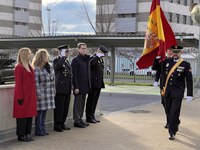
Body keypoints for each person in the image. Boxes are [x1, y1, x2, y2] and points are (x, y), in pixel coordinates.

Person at [162, 45, 193, 140]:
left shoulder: (185, 64)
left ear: (181, 53)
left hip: (177, 93)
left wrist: (189, 94)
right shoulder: (166, 62)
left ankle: (172, 132)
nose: (175, 53)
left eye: (177, 52)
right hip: (167, 92)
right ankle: (176, 121)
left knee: (173, 112)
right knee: (168, 112)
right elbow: (162, 76)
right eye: (174, 51)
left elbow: (189, 80)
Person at [13, 47, 37, 142]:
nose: (30, 55)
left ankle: (27, 133)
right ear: (23, 54)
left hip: (30, 96)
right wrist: (19, 97)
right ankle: (21, 135)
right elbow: (18, 84)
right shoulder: (19, 67)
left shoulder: (30, 66)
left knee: (29, 115)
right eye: (28, 53)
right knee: (22, 116)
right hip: (22, 96)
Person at [32, 49, 56, 136]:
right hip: (41, 94)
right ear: (41, 57)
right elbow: (36, 83)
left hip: (49, 93)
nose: (47, 57)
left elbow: (53, 80)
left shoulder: (49, 67)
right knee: (39, 113)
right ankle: (39, 130)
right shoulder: (36, 69)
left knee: (44, 112)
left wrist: (54, 91)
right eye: (46, 56)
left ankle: (43, 128)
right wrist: (38, 94)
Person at [86, 45, 108, 123]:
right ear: (99, 51)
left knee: (95, 101)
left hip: (98, 83)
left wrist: (99, 58)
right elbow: (91, 63)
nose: (103, 55)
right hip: (93, 83)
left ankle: (92, 115)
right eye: (102, 53)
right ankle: (89, 117)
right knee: (91, 100)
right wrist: (97, 56)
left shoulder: (100, 60)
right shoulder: (93, 58)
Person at [152, 48, 173, 128]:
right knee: (164, 103)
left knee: (171, 104)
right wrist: (156, 80)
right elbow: (157, 70)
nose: (170, 52)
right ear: (166, 51)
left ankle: (171, 121)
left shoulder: (175, 61)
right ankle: (170, 119)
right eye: (168, 50)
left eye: (171, 50)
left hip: (172, 87)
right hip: (163, 86)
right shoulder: (163, 60)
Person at [71, 42, 90, 128]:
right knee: (77, 104)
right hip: (78, 86)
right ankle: (76, 120)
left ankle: (80, 119)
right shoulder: (75, 60)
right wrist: (76, 87)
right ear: (78, 49)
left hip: (85, 86)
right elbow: (74, 75)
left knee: (82, 104)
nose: (84, 50)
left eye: (85, 48)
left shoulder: (86, 60)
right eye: (82, 48)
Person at [53, 45, 72, 132]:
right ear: (60, 52)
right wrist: (62, 57)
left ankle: (62, 123)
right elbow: (57, 67)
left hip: (67, 88)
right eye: (66, 51)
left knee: (65, 107)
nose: (67, 53)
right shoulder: (57, 60)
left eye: (68, 51)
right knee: (59, 108)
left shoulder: (67, 62)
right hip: (60, 88)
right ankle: (57, 125)